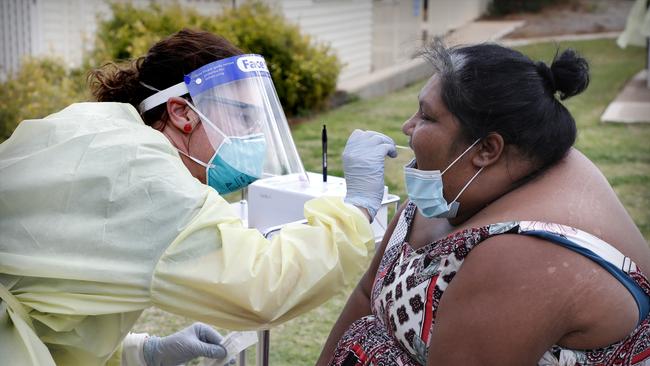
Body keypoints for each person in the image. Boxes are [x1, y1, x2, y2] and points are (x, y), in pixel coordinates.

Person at [0, 29, 397, 365]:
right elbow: (261, 287)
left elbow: (63, 289)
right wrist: (357, 207)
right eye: (243, 116)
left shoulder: (97, 130)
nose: (255, 133)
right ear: (181, 112)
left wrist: (141, 352)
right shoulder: (148, 178)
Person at [317, 39, 650, 366]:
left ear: (487, 149)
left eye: (427, 117)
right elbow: (366, 295)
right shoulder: (458, 184)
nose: (408, 126)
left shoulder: (523, 256)